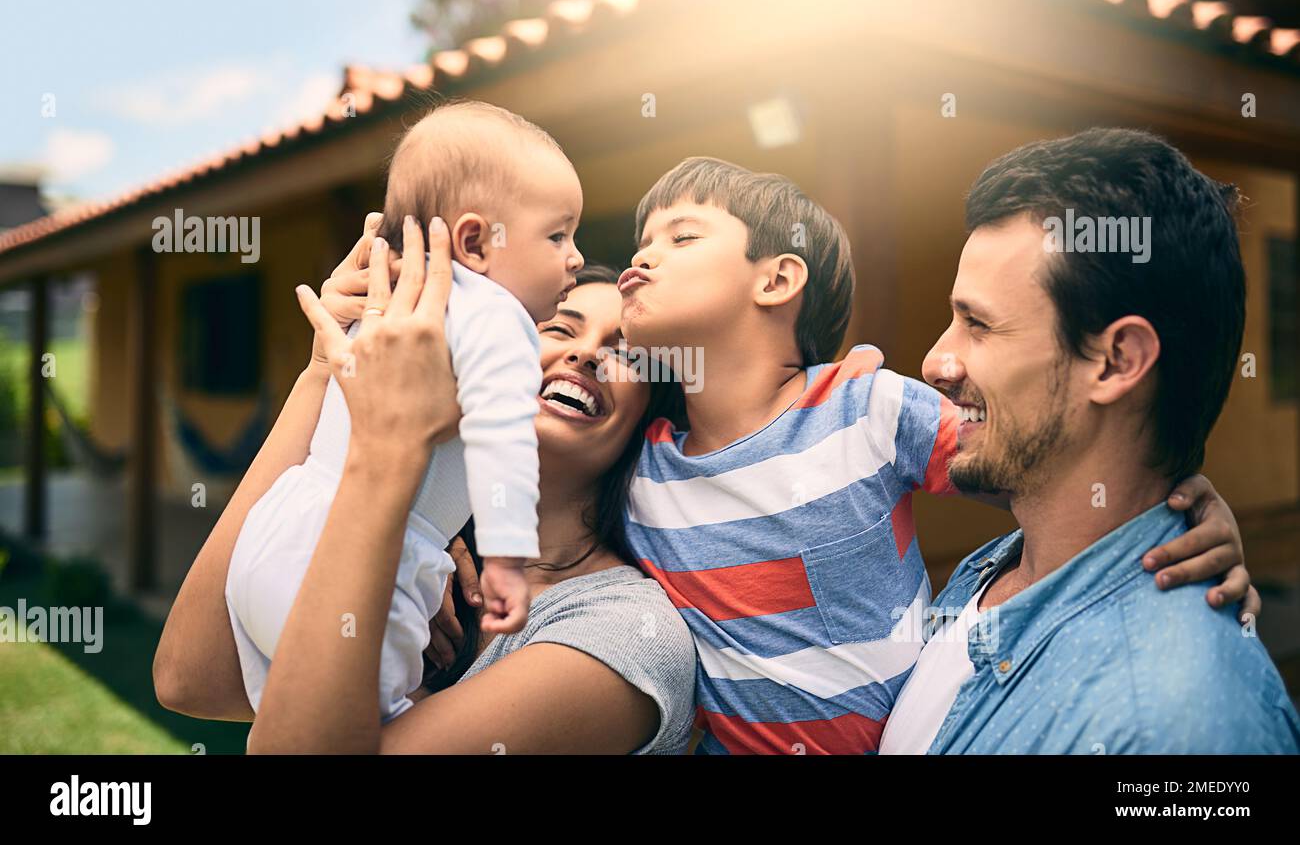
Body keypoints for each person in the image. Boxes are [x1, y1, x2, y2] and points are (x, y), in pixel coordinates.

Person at [615, 156, 1256, 754]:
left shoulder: (863, 409)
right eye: (643, 241)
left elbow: (1054, 471)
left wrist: (1185, 507)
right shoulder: (641, 471)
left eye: (683, 236)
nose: (642, 257)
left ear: (779, 278)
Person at [155, 219, 697, 754]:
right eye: (558, 328)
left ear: (647, 421)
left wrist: (387, 457)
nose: (585, 355)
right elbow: (189, 678)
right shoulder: (426, 566)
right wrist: (324, 366)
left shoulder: (626, 632)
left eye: (626, 355)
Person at [889, 127, 1299, 753]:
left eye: (979, 324)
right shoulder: (1000, 572)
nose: (936, 361)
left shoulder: (1178, 726)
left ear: (1114, 362)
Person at [223, 99, 583, 724]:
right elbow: (502, 439)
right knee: (367, 727)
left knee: (284, 709)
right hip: (373, 559)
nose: (575, 256)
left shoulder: (387, 295)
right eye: (558, 235)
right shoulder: (501, 320)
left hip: (276, 528)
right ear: (474, 241)